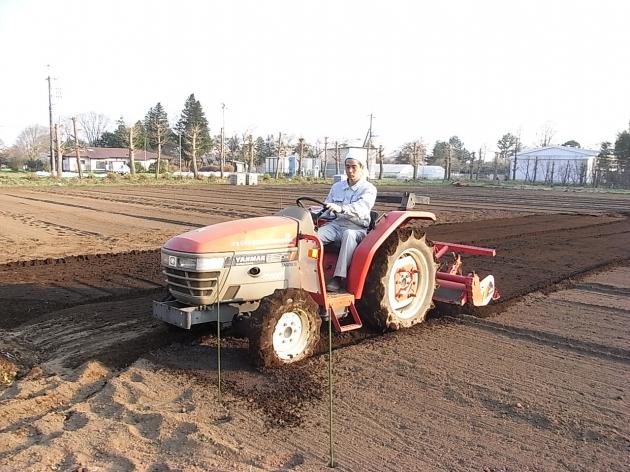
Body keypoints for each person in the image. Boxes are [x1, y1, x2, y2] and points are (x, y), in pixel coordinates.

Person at [318, 156, 377, 291]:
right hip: (336, 225)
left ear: (362, 168)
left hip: (357, 228)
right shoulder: (337, 187)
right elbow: (327, 206)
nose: (350, 170)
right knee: (314, 237)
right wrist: (316, 213)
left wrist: (342, 208)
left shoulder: (368, 189)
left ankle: (338, 277)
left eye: (354, 167)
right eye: (347, 166)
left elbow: (361, 208)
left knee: (349, 235)